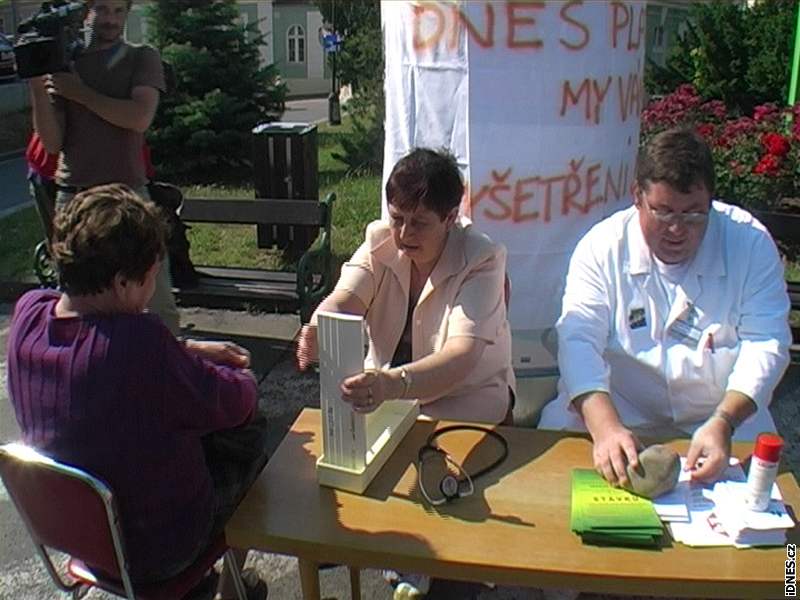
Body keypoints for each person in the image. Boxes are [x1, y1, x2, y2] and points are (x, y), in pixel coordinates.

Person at [6, 184, 268, 599]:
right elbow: (235, 403)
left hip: (79, 536)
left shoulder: (28, 315)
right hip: (158, 550)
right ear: (123, 283)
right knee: (255, 435)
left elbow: (99, 361)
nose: (152, 290)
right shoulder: (137, 345)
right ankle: (228, 589)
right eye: (151, 278)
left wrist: (185, 350)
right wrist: (243, 377)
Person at [539, 127, 791, 485]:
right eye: (663, 212)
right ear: (637, 197)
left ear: (711, 203)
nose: (677, 229)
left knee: (772, 530)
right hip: (619, 407)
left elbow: (766, 342)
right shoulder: (602, 246)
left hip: (721, 415)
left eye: (693, 215)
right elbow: (578, 340)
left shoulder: (749, 243)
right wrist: (606, 427)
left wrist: (724, 421)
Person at [296, 148, 515, 425]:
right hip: (384, 400)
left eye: (419, 223)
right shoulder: (379, 242)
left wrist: (390, 385)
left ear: (450, 218)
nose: (404, 233)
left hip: (466, 405)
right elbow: (344, 299)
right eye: (397, 218)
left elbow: (461, 355)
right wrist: (318, 325)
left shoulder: (482, 258)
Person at [28, 0, 179, 334]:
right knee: (80, 305)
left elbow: (138, 117)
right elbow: (52, 142)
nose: (110, 19)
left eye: (118, 11)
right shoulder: (68, 64)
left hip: (128, 195)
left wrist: (79, 93)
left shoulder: (142, 57)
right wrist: (37, 87)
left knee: (157, 304)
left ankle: (164, 376)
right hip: (75, 198)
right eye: (103, 9)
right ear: (86, 11)